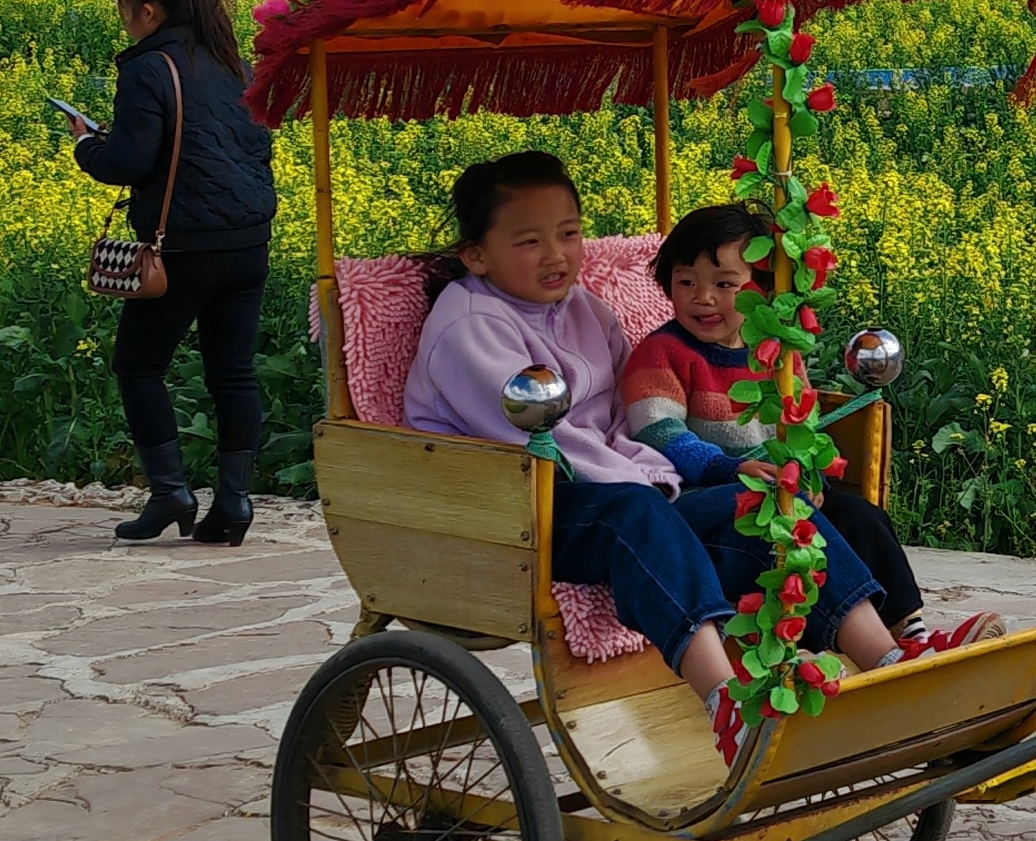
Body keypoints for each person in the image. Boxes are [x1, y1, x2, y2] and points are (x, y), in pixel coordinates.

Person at [403, 154, 899, 763]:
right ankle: (723, 697)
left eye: (570, 233)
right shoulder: (470, 324)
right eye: (530, 241)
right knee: (634, 510)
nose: (557, 254)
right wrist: (648, 480)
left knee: (761, 505)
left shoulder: (584, 309)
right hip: (516, 503)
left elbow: (614, 419)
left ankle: (890, 663)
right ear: (477, 254)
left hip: (608, 487)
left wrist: (657, 476)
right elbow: (547, 442)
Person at [621, 202, 998, 656]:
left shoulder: (776, 350)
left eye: (724, 285)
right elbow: (659, 431)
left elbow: (802, 423)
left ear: (760, 291)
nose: (703, 298)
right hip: (703, 501)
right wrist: (726, 468)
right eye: (686, 283)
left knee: (860, 516)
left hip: (776, 488)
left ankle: (910, 631)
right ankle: (876, 651)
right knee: (787, 522)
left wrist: (809, 474)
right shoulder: (661, 352)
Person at [69, 0, 281, 544]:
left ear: (148, 11)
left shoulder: (150, 67)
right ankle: (234, 502)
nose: (127, 26)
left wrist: (88, 145)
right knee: (233, 375)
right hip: (247, 243)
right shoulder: (236, 65)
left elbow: (131, 162)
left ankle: (170, 493)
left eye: (126, 13)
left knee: (138, 366)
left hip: (183, 246)